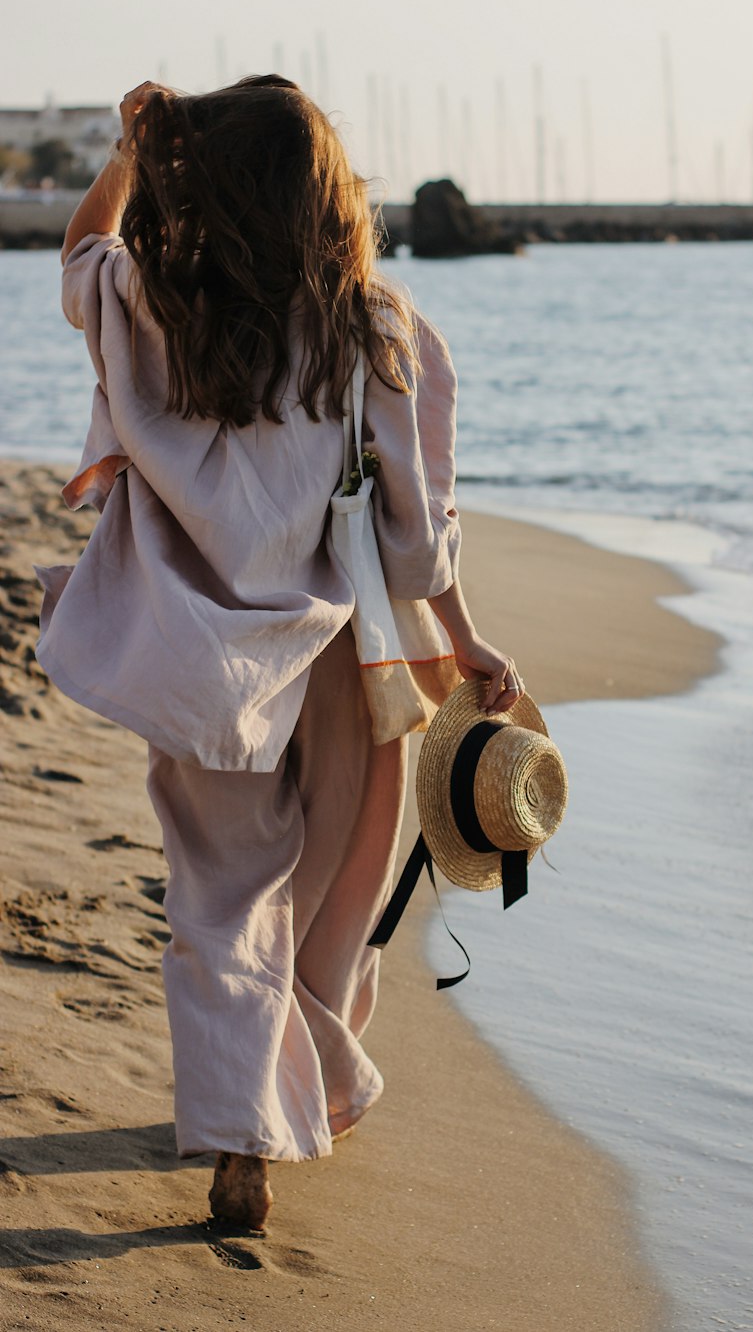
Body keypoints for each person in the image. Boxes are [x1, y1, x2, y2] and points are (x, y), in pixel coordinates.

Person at [36, 76, 524, 1233]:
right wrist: (460, 640)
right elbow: (412, 530)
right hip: (345, 662)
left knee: (220, 897)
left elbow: (78, 251)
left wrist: (128, 155)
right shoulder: (373, 327)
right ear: (328, 193)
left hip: (203, 662)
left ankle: (241, 1124)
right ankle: (306, 1089)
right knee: (337, 887)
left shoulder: (152, 304)